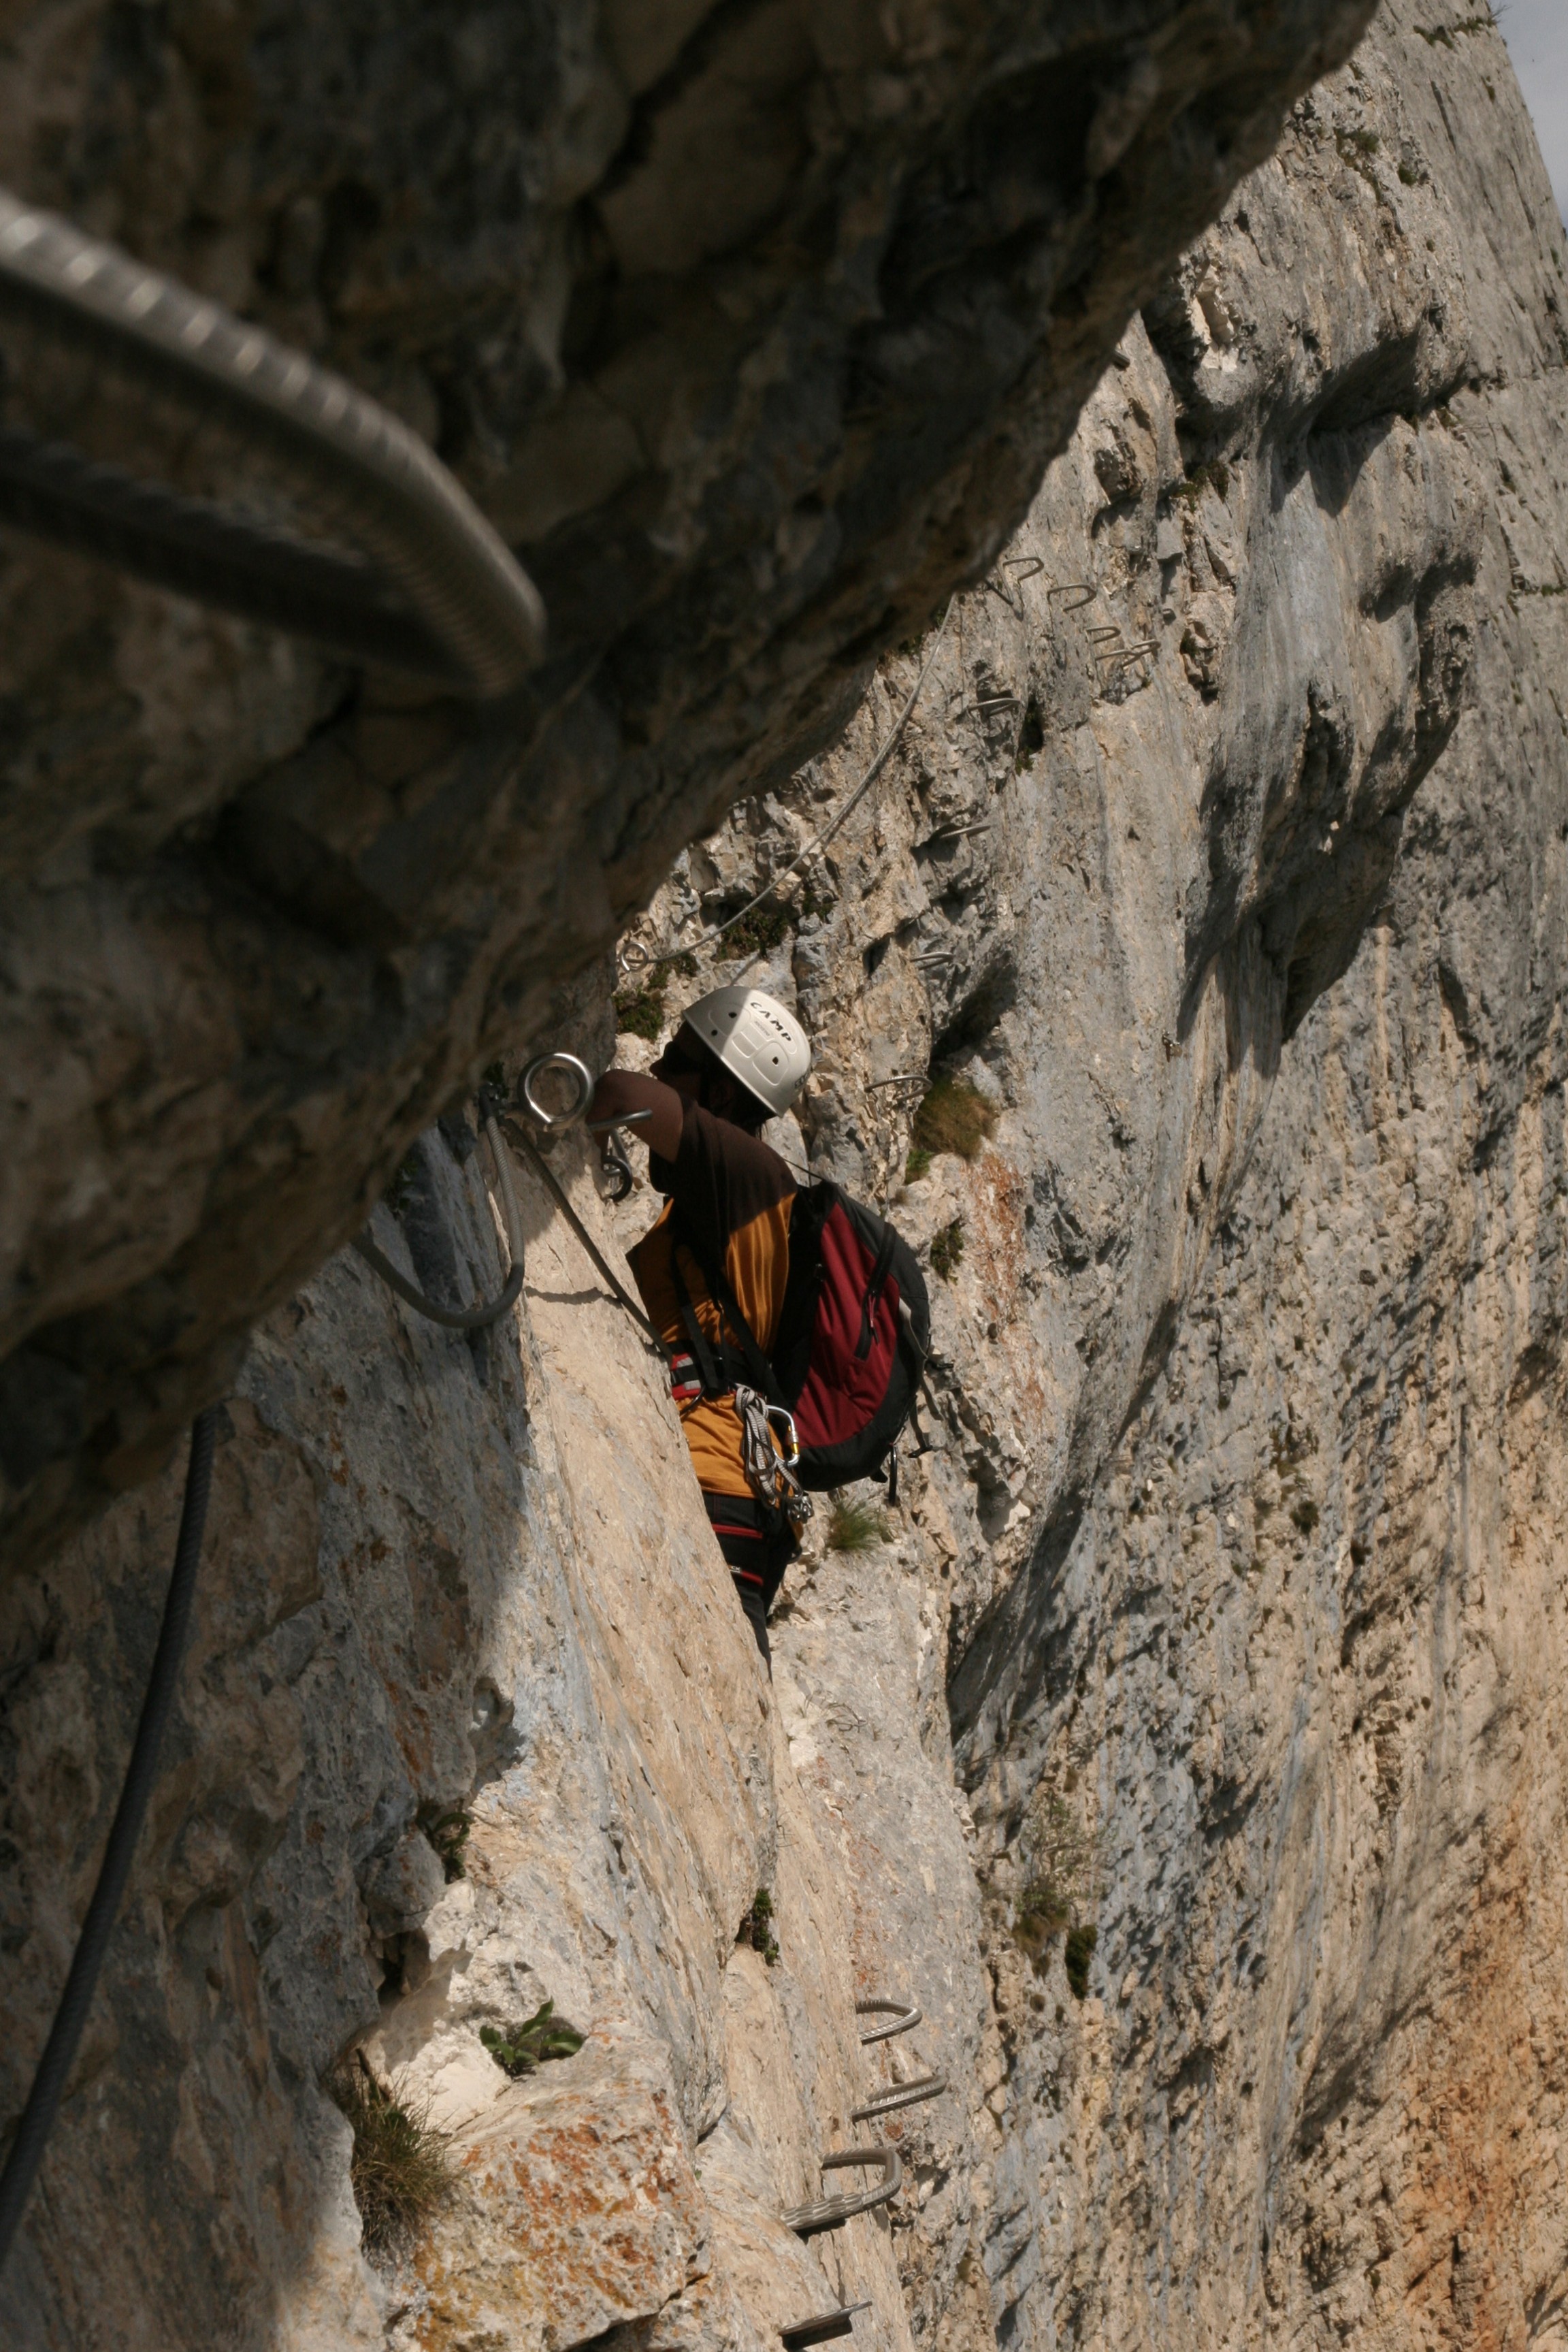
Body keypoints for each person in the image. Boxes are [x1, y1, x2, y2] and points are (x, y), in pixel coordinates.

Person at [589, 986, 812, 1664]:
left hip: (716, 1481)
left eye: (678, 1058)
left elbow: (617, 1091)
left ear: (718, 1091)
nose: (660, 1067)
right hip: (737, 1494)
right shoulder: (739, 1199)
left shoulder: (746, 1170)